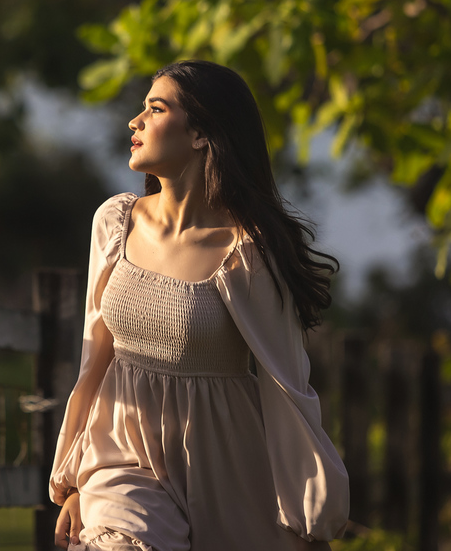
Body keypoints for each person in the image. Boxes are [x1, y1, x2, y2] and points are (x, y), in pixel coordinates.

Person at [50, 60, 349, 550]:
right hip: (120, 455)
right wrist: (78, 474)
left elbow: (286, 386)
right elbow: (94, 359)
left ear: (201, 135)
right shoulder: (114, 223)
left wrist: (309, 508)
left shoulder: (247, 252)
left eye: (156, 108)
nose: (135, 121)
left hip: (223, 461)